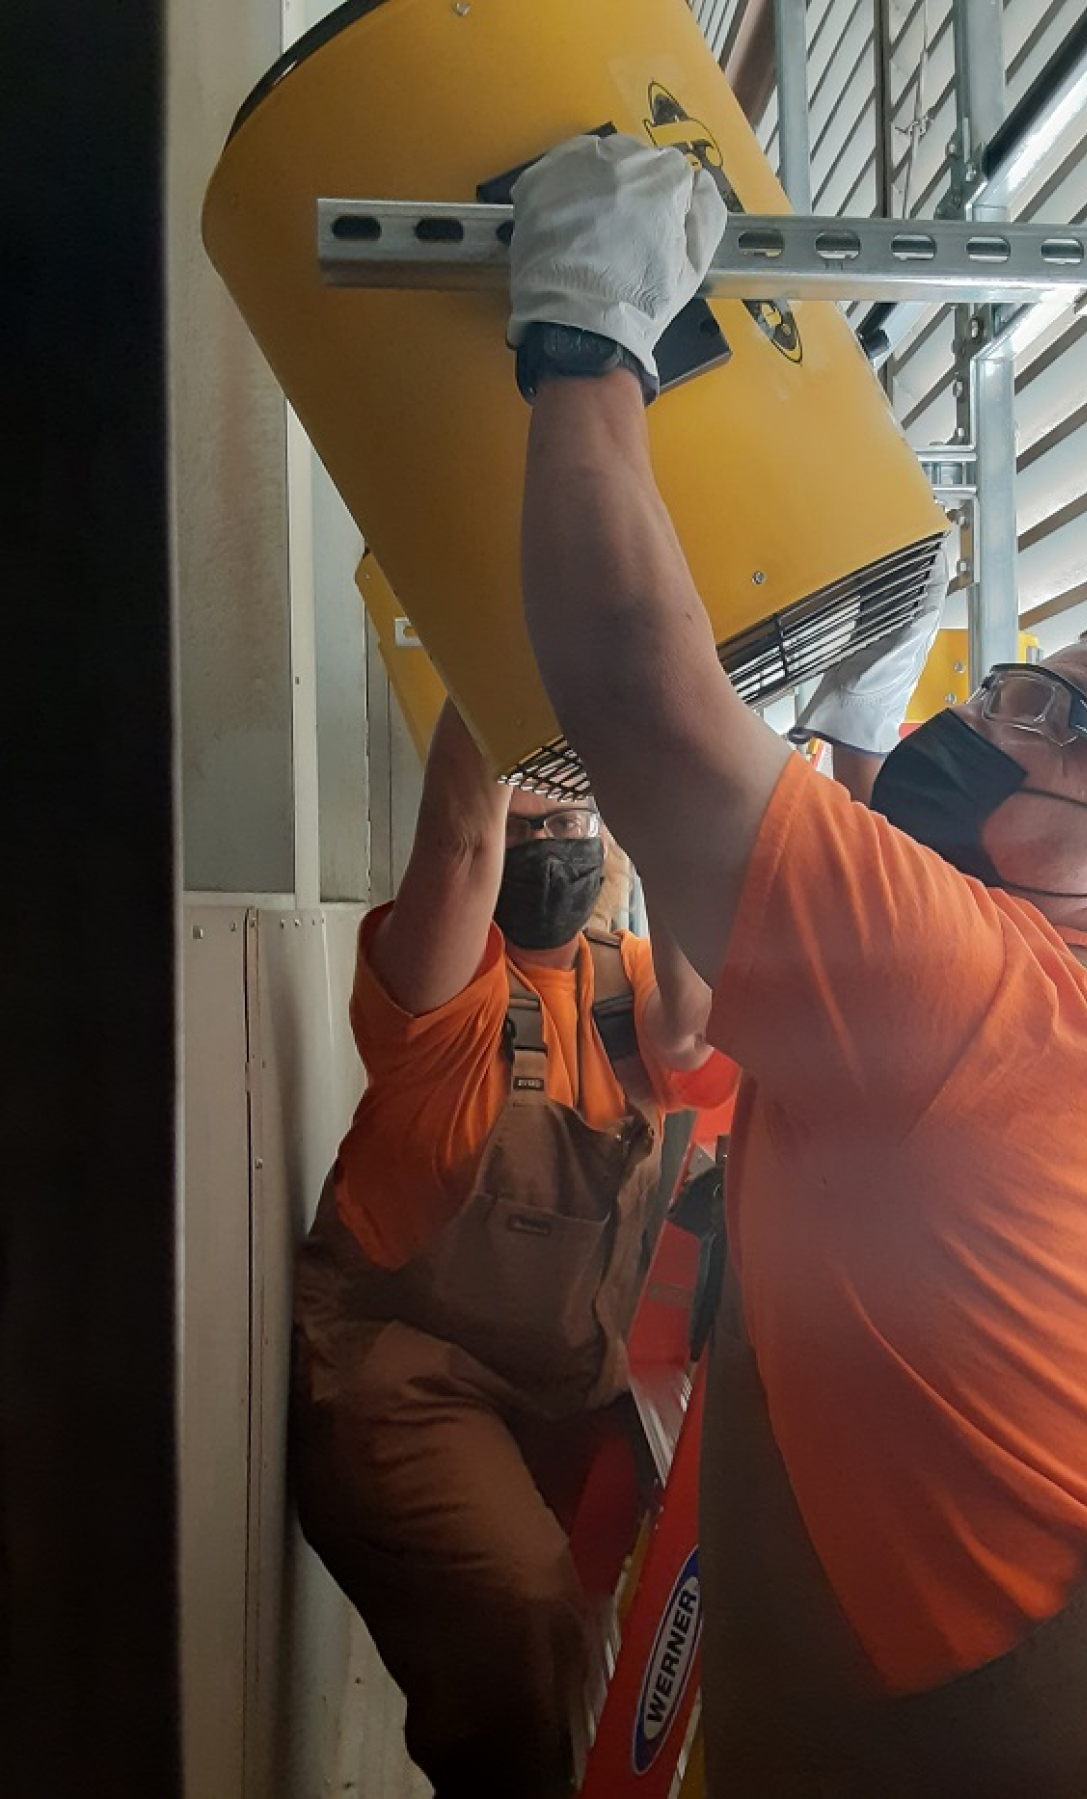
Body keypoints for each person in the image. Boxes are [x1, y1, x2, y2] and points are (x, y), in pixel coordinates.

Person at [503, 134, 1087, 1796]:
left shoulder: (991, 1011)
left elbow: (638, 697)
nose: (980, 721)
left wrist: (588, 339)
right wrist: (855, 753)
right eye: (1007, 681)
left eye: (1048, 720)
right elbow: (719, 1021)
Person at [289, 694, 737, 1798]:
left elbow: (695, 1025)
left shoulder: (631, 989)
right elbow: (461, 835)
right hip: (404, 1377)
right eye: (528, 825)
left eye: (570, 826)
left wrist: (656, 771)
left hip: (565, 1381)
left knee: (617, 1619)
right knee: (520, 1602)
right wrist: (490, 653)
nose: (548, 847)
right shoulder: (437, 991)